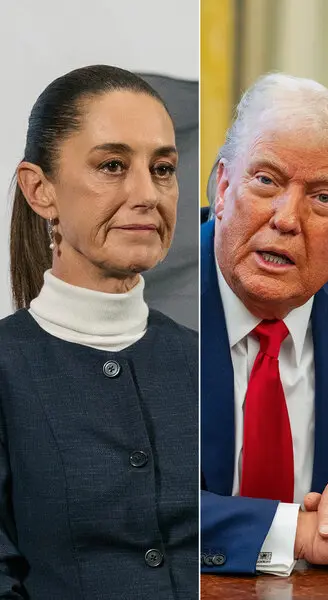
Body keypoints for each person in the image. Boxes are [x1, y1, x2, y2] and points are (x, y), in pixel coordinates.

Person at [3, 65, 198, 599]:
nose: (147, 194)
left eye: (163, 168)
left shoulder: (207, 363)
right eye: (112, 165)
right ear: (40, 190)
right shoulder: (6, 367)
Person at [200, 73, 328, 576]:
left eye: (323, 198)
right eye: (265, 180)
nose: (286, 218)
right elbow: (129, 500)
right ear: (223, 188)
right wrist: (297, 532)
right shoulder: (154, 288)